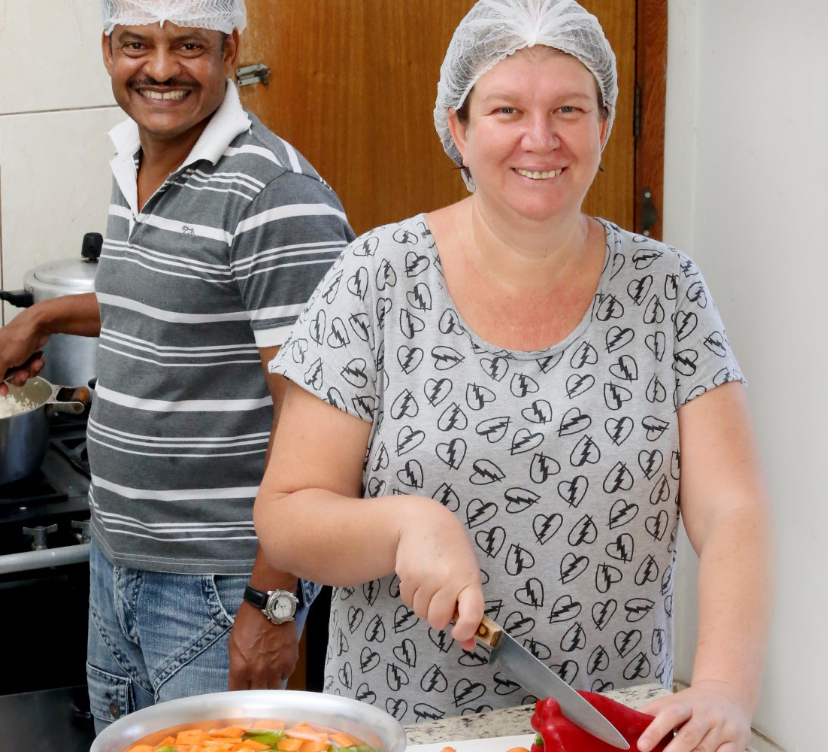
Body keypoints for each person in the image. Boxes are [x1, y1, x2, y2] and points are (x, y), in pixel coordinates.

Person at [254, 1, 771, 751]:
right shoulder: (377, 277)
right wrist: (404, 525)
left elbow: (733, 512)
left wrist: (723, 684)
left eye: (568, 108)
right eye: (507, 109)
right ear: (457, 127)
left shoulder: (668, 291)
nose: (541, 138)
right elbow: (287, 514)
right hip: (411, 732)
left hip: (609, 727)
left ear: (603, 123)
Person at [0, 0, 354, 733]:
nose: (158, 68)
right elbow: (164, 296)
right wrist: (47, 315)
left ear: (229, 49)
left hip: (217, 581)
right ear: (106, 48)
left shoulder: (274, 194)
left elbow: (324, 412)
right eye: (135, 44)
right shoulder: (138, 160)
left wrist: (273, 601)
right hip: (119, 559)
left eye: (187, 44)